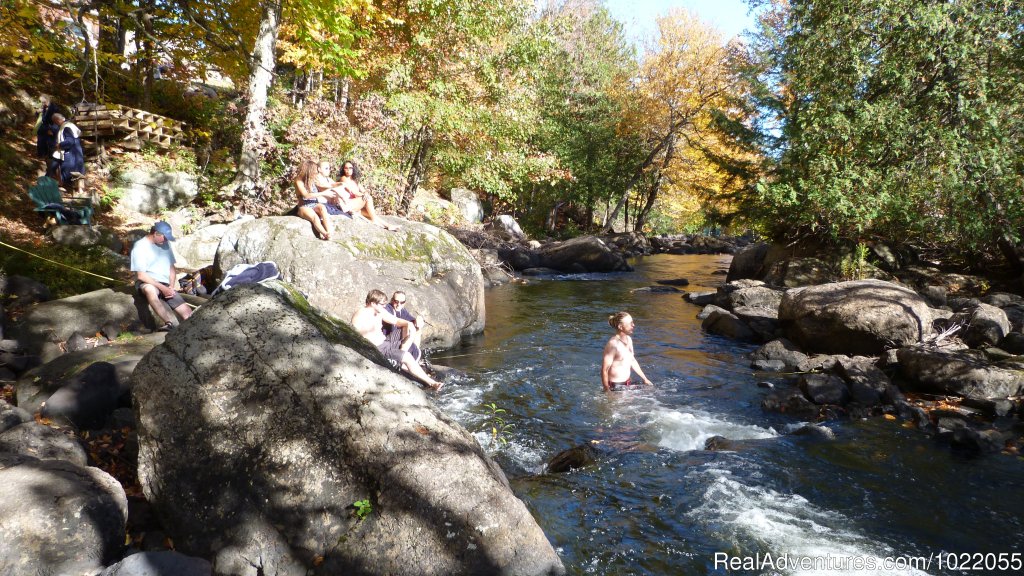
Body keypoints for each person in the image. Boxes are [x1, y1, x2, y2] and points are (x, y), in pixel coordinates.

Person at [352, 289, 442, 390]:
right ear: (373, 303)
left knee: (410, 327)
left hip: (387, 341)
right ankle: (432, 383)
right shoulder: (359, 316)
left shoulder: (380, 311)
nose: (385, 306)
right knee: (407, 356)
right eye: (382, 304)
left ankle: (403, 354)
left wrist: (410, 324)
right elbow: (355, 337)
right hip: (379, 349)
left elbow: (396, 320)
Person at [131, 221, 192, 331]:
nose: (166, 240)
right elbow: (141, 275)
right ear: (155, 233)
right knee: (150, 290)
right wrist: (162, 288)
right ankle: (168, 323)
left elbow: (171, 268)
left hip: (166, 284)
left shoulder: (165, 244)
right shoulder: (140, 246)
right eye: (164, 237)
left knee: (188, 314)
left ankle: (191, 330)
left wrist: (171, 287)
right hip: (148, 282)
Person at [332, 160, 398, 230]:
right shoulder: (344, 179)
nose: (348, 170)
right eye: (346, 168)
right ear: (343, 169)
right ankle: (374, 221)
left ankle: (388, 225)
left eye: (350, 168)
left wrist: (365, 193)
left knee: (371, 214)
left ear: (353, 169)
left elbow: (364, 190)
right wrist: (364, 195)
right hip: (347, 205)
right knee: (368, 198)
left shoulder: (355, 180)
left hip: (355, 206)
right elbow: (354, 192)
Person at [601, 311, 653, 392]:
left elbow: (632, 360)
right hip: (616, 387)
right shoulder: (613, 344)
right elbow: (604, 370)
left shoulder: (629, 339)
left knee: (651, 389)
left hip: (628, 383)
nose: (633, 325)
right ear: (620, 327)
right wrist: (607, 390)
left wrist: (645, 379)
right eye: (630, 323)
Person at [293, 159, 335, 240]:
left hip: (314, 204)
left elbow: (323, 185)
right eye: (315, 171)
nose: (316, 173)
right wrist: (324, 193)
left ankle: (329, 231)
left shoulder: (312, 179)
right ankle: (325, 234)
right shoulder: (299, 181)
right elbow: (306, 195)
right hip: (304, 206)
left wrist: (336, 186)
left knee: (323, 208)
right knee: (315, 217)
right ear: (309, 170)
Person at [382, 290, 423, 363]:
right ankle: (400, 357)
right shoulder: (387, 309)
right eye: (396, 302)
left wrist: (419, 319)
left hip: (396, 338)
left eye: (402, 302)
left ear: (405, 303)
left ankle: (414, 352)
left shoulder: (402, 311)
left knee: (417, 329)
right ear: (392, 300)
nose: (399, 305)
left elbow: (413, 321)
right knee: (409, 328)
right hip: (386, 340)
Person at [51, 113, 85, 194]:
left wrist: (60, 145)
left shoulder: (66, 128)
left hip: (70, 154)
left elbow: (70, 141)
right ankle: (79, 190)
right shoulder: (70, 125)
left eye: (55, 122)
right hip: (76, 152)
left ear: (58, 120)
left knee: (69, 171)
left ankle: (71, 189)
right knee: (78, 171)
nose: (56, 124)